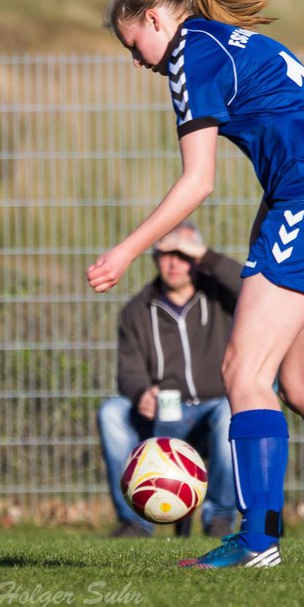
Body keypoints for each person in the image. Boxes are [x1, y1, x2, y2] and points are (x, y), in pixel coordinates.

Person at [89, 0, 304, 567]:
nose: (136, 61)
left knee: (243, 371)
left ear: (156, 21)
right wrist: (265, 230)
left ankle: (256, 541)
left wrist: (125, 250)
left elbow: (198, 181)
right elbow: (295, 143)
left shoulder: (188, 53)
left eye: (133, 46)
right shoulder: (234, 41)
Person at [98, 220, 240, 538]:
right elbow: (129, 372)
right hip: (164, 412)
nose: (175, 262)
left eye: (184, 253)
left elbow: (253, 288)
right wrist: (141, 394)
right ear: (154, 258)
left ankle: (219, 518)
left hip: (215, 406)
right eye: (166, 253)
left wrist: (207, 256)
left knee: (233, 413)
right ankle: (134, 521)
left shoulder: (221, 297)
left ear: (197, 257)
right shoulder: (136, 310)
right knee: (111, 413)